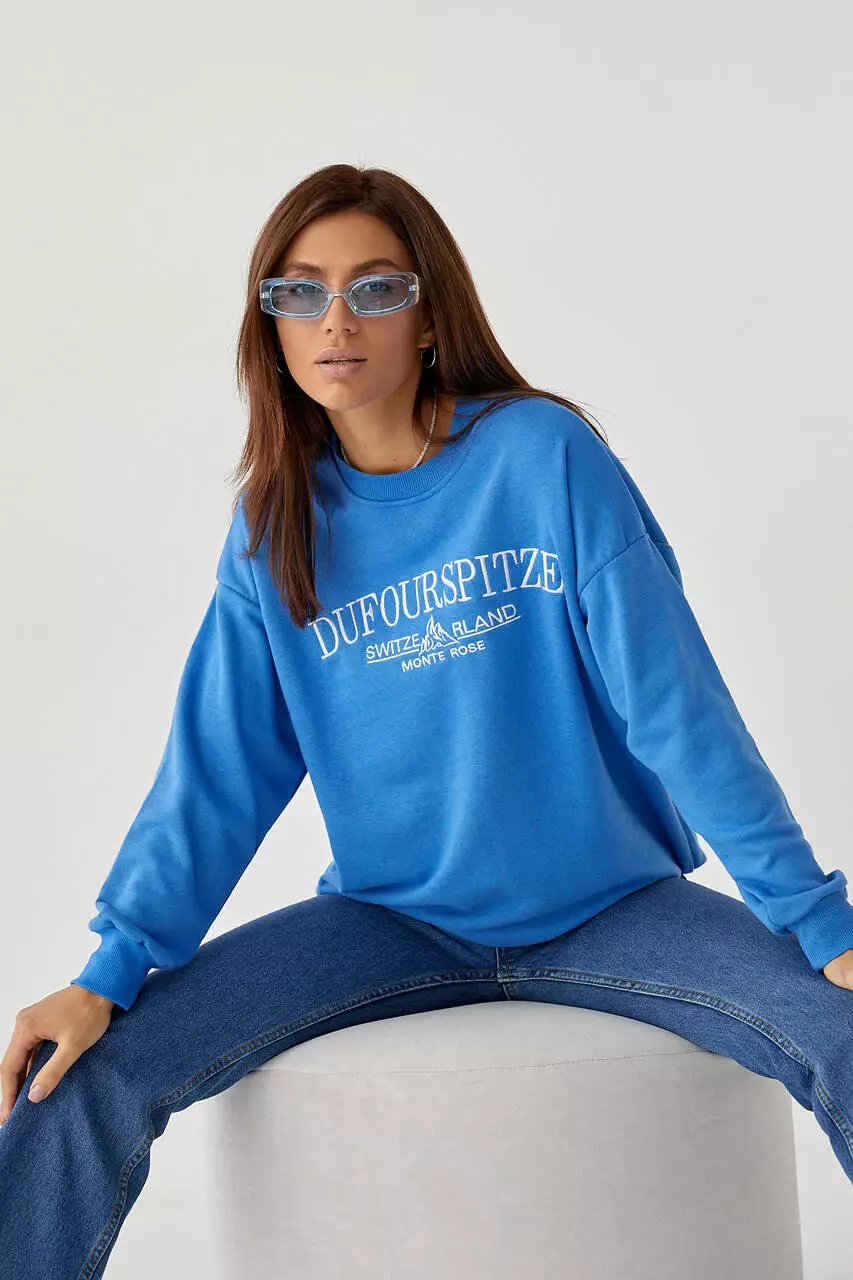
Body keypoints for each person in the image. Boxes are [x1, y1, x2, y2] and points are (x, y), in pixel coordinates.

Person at [3, 162, 853, 1275]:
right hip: (392, 919)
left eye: (375, 288)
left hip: (612, 908)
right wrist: (108, 972)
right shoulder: (272, 528)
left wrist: (821, 924)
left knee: (843, 1031)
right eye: (299, 292)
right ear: (269, 326)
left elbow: (677, 709)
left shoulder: (541, 456)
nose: (336, 320)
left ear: (430, 313)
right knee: (75, 1076)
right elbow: (215, 776)